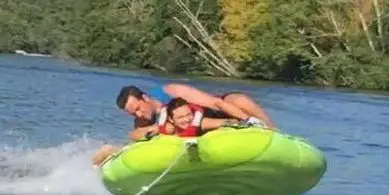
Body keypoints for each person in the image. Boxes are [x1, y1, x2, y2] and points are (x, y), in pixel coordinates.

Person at [115, 84, 275, 141]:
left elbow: (215, 103)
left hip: (211, 112)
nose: (138, 115)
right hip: (196, 128)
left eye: (138, 109)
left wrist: (246, 119)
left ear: (145, 97)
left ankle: (272, 131)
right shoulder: (142, 121)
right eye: (132, 114)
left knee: (239, 100)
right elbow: (135, 135)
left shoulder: (172, 91)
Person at [156, 97, 239, 137]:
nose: (187, 119)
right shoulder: (168, 128)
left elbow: (231, 121)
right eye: (180, 117)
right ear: (171, 120)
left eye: (189, 114)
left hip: (213, 114)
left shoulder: (201, 123)